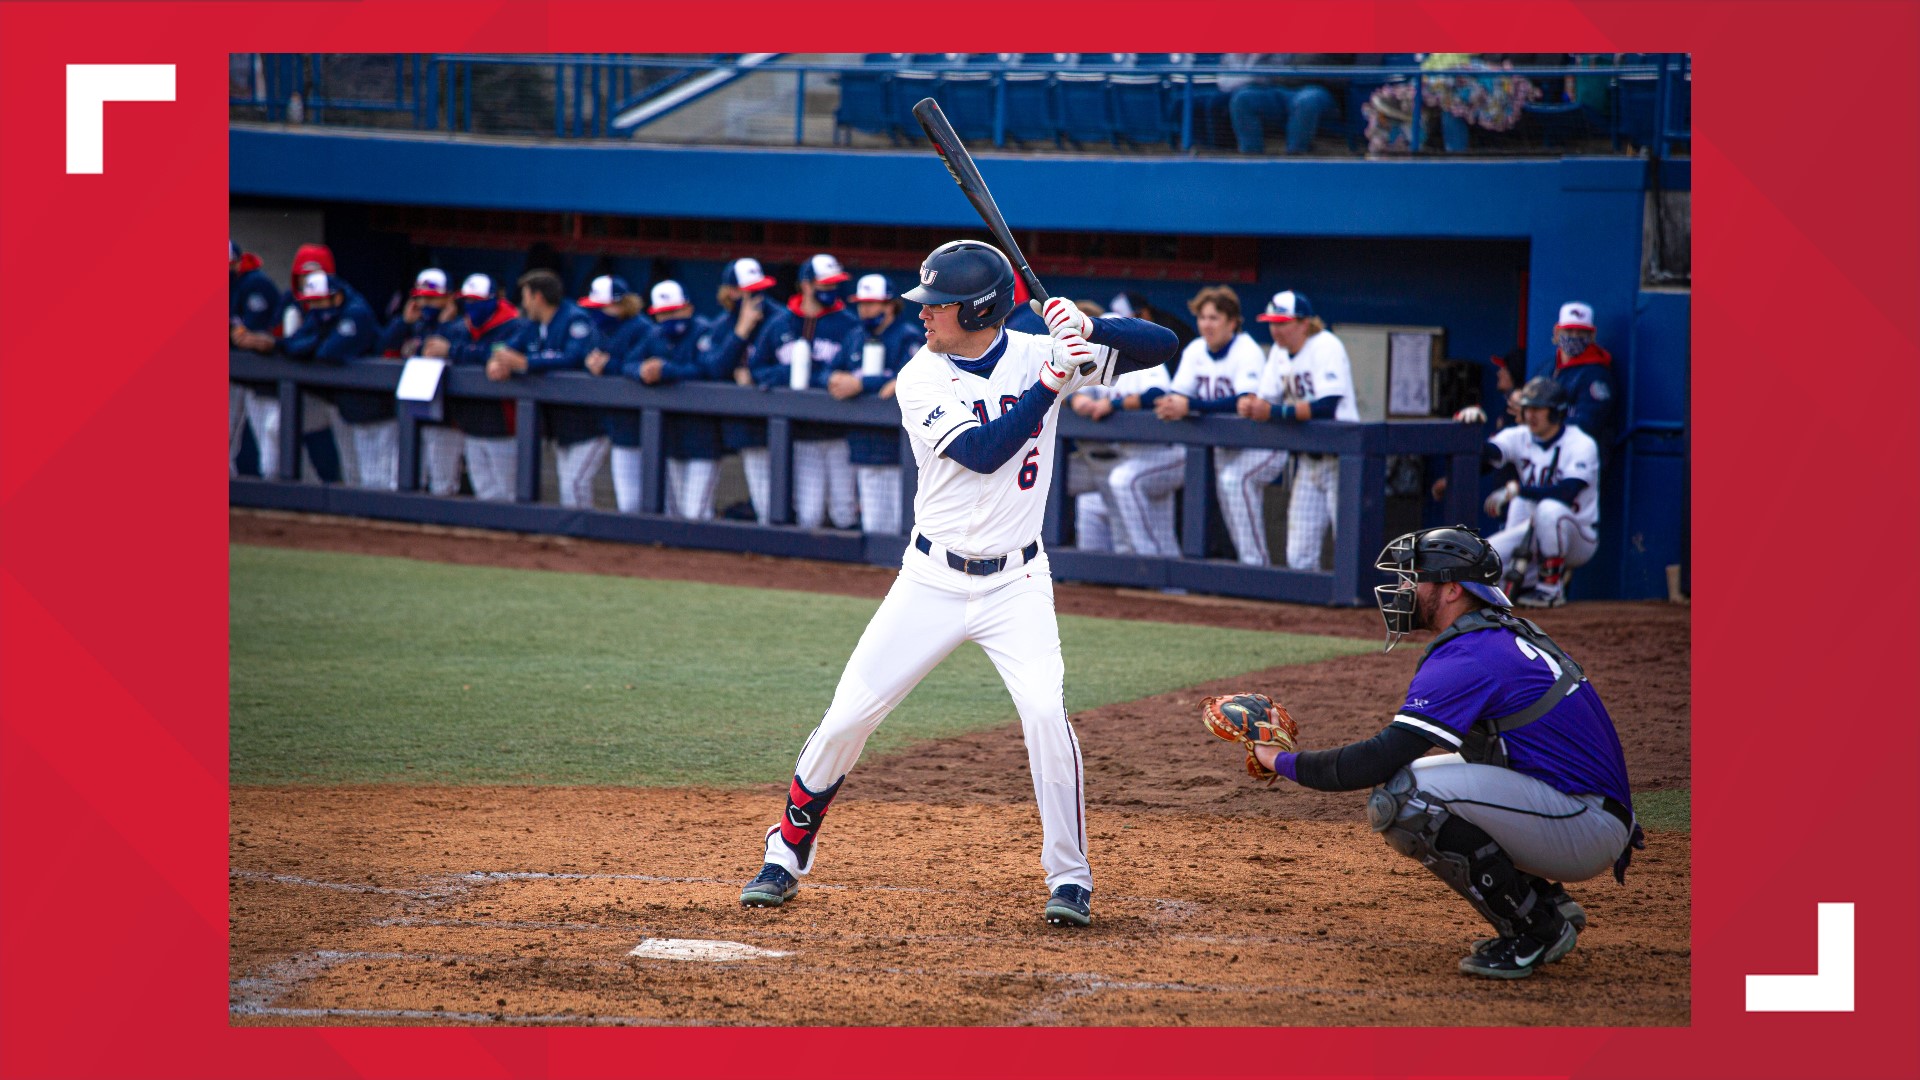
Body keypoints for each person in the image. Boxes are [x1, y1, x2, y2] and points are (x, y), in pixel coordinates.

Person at [739, 240, 1178, 927]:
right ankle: (786, 853)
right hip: (931, 579)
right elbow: (982, 451)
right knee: (850, 713)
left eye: (936, 304)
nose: (923, 315)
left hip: (1018, 582)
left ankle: (1070, 876)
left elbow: (1162, 342)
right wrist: (1052, 383)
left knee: (1042, 713)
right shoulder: (922, 376)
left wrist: (1087, 328)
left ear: (977, 308)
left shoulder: (1041, 352)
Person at [1218, 525, 1640, 979]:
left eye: (1415, 577)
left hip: (1582, 823)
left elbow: (1379, 758)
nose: (1403, 588)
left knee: (1405, 798)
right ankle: (1544, 902)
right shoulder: (1498, 635)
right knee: (1425, 779)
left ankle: (1534, 928)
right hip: (1578, 806)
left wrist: (1276, 760)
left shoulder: (1470, 656)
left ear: (1453, 589)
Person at [1238, 290, 1358, 570]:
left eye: (1282, 322)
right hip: (1308, 460)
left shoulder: (1326, 345)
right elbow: (1266, 398)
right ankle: (1308, 616)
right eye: (1272, 322)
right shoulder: (1279, 353)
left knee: (1350, 545)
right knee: (1298, 557)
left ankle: (1358, 613)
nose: (1275, 329)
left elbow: (1327, 405)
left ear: (1304, 323)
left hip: (1343, 459)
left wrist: (1273, 412)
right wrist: (1250, 403)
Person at [1157, 286, 1274, 563]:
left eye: (1214, 318)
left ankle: (1257, 568)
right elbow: (1180, 394)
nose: (1206, 325)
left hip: (1260, 445)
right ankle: (1246, 567)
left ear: (1232, 322)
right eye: (1202, 317)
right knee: (1231, 512)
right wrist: (1173, 404)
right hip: (1221, 447)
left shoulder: (1248, 350)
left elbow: (1245, 402)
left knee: (1236, 485)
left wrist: (1191, 406)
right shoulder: (1196, 349)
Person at [747, 253, 861, 530]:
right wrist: (787, 374)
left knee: (844, 511)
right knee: (808, 513)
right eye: (825, 284)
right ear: (807, 285)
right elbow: (756, 368)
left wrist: (818, 375)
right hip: (800, 434)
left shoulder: (848, 324)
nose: (831, 290)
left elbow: (849, 372)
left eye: (835, 284)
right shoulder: (781, 322)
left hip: (838, 431)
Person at [1471, 376, 1601, 608]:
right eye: (1528, 408)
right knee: (1483, 562)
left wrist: (1518, 489)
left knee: (1548, 509)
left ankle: (1550, 590)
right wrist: (1470, 432)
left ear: (1556, 411)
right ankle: (1528, 582)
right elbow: (1487, 457)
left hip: (1578, 535)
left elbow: (1567, 492)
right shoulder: (1519, 435)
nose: (1530, 415)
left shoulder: (1581, 443)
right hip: (1533, 532)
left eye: (1538, 408)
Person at [490, 269, 606, 508]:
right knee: (569, 486)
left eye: (525, 296)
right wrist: (496, 360)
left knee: (574, 484)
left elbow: (573, 358)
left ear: (538, 297)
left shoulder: (575, 319)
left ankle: (582, 538)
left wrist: (525, 363)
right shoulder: (532, 325)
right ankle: (575, 541)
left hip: (588, 422)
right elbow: (504, 347)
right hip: (560, 424)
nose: (523, 303)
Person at [280, 270, 396, 490]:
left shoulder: (357, 312)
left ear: (337, 297)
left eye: (319, 301)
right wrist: (320, 337)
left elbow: (327, 353)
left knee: (381, 480)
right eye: (311, 302)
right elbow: (291, 346)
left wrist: (315, 341)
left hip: (379, 408)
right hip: (352, 407)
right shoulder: (321, 316)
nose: (314, 308)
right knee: (362, 477)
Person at [620, 279, 726, 519]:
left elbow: (709, 369)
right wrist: (642, 371)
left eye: (674, 311)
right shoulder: (653, 336)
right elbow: (628, 364)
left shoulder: (704, 331)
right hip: (670, 436)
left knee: (695, 512)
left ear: (688, 308)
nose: (669, 318)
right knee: (674, 512)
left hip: (703, 437)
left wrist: (667, 370)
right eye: (663, 313)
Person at [828, 273, 925, 535]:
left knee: (902, 525)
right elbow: (827, 372)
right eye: (862, 303)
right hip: (862, 443)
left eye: (872, 303)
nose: (866, 309)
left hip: (899, 449)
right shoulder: (854, 336)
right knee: (873, 526)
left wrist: (863, 384)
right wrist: (833, 377)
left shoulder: (909, 336)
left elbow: (915, 379)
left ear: (890, 305)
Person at [1070, 349, 1182, 556]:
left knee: (1128, 487)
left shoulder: (1147, 359)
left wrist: (1114, 404)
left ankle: (1154, 568)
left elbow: (1157, 395)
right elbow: (1072, 390)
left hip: (1160, 454)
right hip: (1127, 457)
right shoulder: (1100, 366)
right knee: (1153, 528)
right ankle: (1145, 571)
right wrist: (1077, 400)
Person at [426, 274, 525, 502]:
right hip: (470, 422)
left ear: (495, 299)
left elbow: (498, 352)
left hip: (504, 425)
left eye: (477, 301)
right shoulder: (459, 327)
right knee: (484, 491)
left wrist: (453, 350)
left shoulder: (515, 325)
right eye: (467, 300)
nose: (471, 306)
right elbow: (431, 345)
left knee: (510, 493)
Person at [381, 268, 466, 496]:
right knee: (401, 479)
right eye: (420, 297)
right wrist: (402, 323)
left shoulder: (459, 328)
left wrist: (445, 326)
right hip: (411, 413)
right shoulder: (412, 325)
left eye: (432, 298)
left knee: (443, 486)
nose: (425, 303)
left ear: (449, 298)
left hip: (445, 420)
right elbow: (381, 346)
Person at [579, 275, 656, 511]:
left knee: (658, 500)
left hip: (650, 424)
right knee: (628, 501)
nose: (596, 313)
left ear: (619, 304)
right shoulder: (597, 328)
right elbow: (580, 354)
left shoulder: (643, 329)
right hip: (619, 424)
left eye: (600, 307)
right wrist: (590, 363)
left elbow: (637, 366)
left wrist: (609, 366)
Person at [713, 258, 778, 521]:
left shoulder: (780, 319)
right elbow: (714, 369)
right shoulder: (723, 325)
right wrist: (742, 330)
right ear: (733, 292)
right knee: (765, 502)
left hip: (784, 421)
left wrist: (756, 375)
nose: (758, 296)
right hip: (748, 427)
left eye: (760, 289)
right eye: (750, 291)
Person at [1218, 54, 1346, 155]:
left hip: (1320, 89)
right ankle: (1251, 157)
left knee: (1306, 101)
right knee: (1243, 98)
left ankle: (1295, 157)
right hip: (1281, 88)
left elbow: (1316, 62)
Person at [229, 240, 280, 477]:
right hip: (234, 373)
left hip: (262, 374)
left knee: (270, 438)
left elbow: (252, 332)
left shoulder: (255, 283)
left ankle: (280, 496)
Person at [1548, 302, 1617, 455]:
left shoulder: (1596, 374)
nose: (1574, 337)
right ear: (1557, 332)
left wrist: (1546, 427)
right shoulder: (1548, 367)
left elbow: (1589, 423)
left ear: (1592, 336)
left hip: (1580, 456)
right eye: (1569, 331)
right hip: (1548, 454)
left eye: (1581, 333)